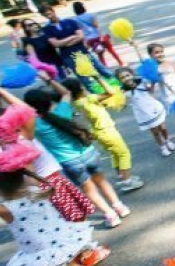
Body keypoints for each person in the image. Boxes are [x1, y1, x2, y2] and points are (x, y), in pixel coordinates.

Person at [0, 154, 115, 266]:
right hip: (61, 241)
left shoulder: (7, 209)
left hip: (41, 250)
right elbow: (30, 172)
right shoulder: (37, 190)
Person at [17, 79, 129, 228]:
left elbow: (21, 111)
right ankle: (119, 207)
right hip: (89, 153)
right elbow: (66, 93)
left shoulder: (35, 125)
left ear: (31, 109)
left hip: (70, 162)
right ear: (50, 101)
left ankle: (110, 215)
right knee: (101, 181)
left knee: (89, 189)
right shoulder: (63, 111)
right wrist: (49, 79)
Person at [61, 77, 143, 193]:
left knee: (115, 154)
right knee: (124, 154)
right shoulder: (89, 99)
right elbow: (110, 92)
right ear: (80, 89)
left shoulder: (77, 103)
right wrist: (98, 78)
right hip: (107, 131)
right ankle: (127, 180)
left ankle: (121, 175)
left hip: (98, 132)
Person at [38, 4, 111, 83]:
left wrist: (64, 43)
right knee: (84, 77)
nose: (49, 17)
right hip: (68, 56)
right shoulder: (46, 29)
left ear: (53, 11)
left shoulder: (70, 21)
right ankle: (97, 92)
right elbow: (56, 44)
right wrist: (72, 37)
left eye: (49, 14)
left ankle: (117, 85)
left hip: (82, 51)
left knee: (100, 69)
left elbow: (81, 36)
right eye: (46, 15)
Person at [115, 67, 175, 158]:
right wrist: (120, 104)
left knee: (163, 127)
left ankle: (167, 140)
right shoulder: (123, 92)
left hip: (153, 107)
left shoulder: (141, 82)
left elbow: (150, 91)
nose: (126, 78)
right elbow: (123, 105)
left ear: (132, 74)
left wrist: (152, 82)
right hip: (143, 113)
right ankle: (162, 147)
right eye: (123, 78)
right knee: (155, 132)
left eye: (127, 75)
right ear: (119, 80)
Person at [71, 2, 123, 67]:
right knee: (111, 50)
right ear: (82, 7)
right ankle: (120, 63)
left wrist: (84, 42)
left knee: (100, 54)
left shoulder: (75, 19)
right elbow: (97, 26)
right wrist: (101, 36)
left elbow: (80, 31)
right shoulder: (91, 15)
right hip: (98, 36)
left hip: (90, 39)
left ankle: (105, 68)